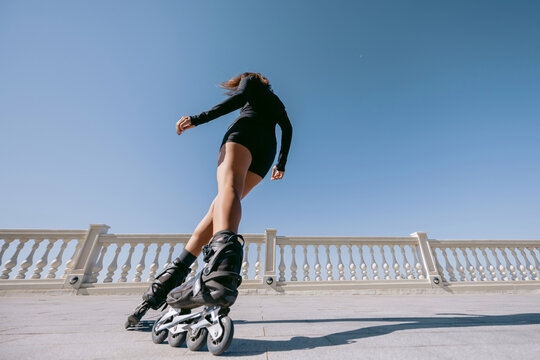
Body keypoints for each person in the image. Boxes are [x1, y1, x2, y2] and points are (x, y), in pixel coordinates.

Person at [125, 72, 293, 328]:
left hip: (245, 134)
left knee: (228, 191)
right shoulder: (277, 101)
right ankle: (167, 284)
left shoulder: (251, 81)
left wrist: (197, 119)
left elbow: (239, 100)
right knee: (220, 206)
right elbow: (287, 127)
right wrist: (281, 163)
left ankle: (220, 272)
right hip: (266, 150)